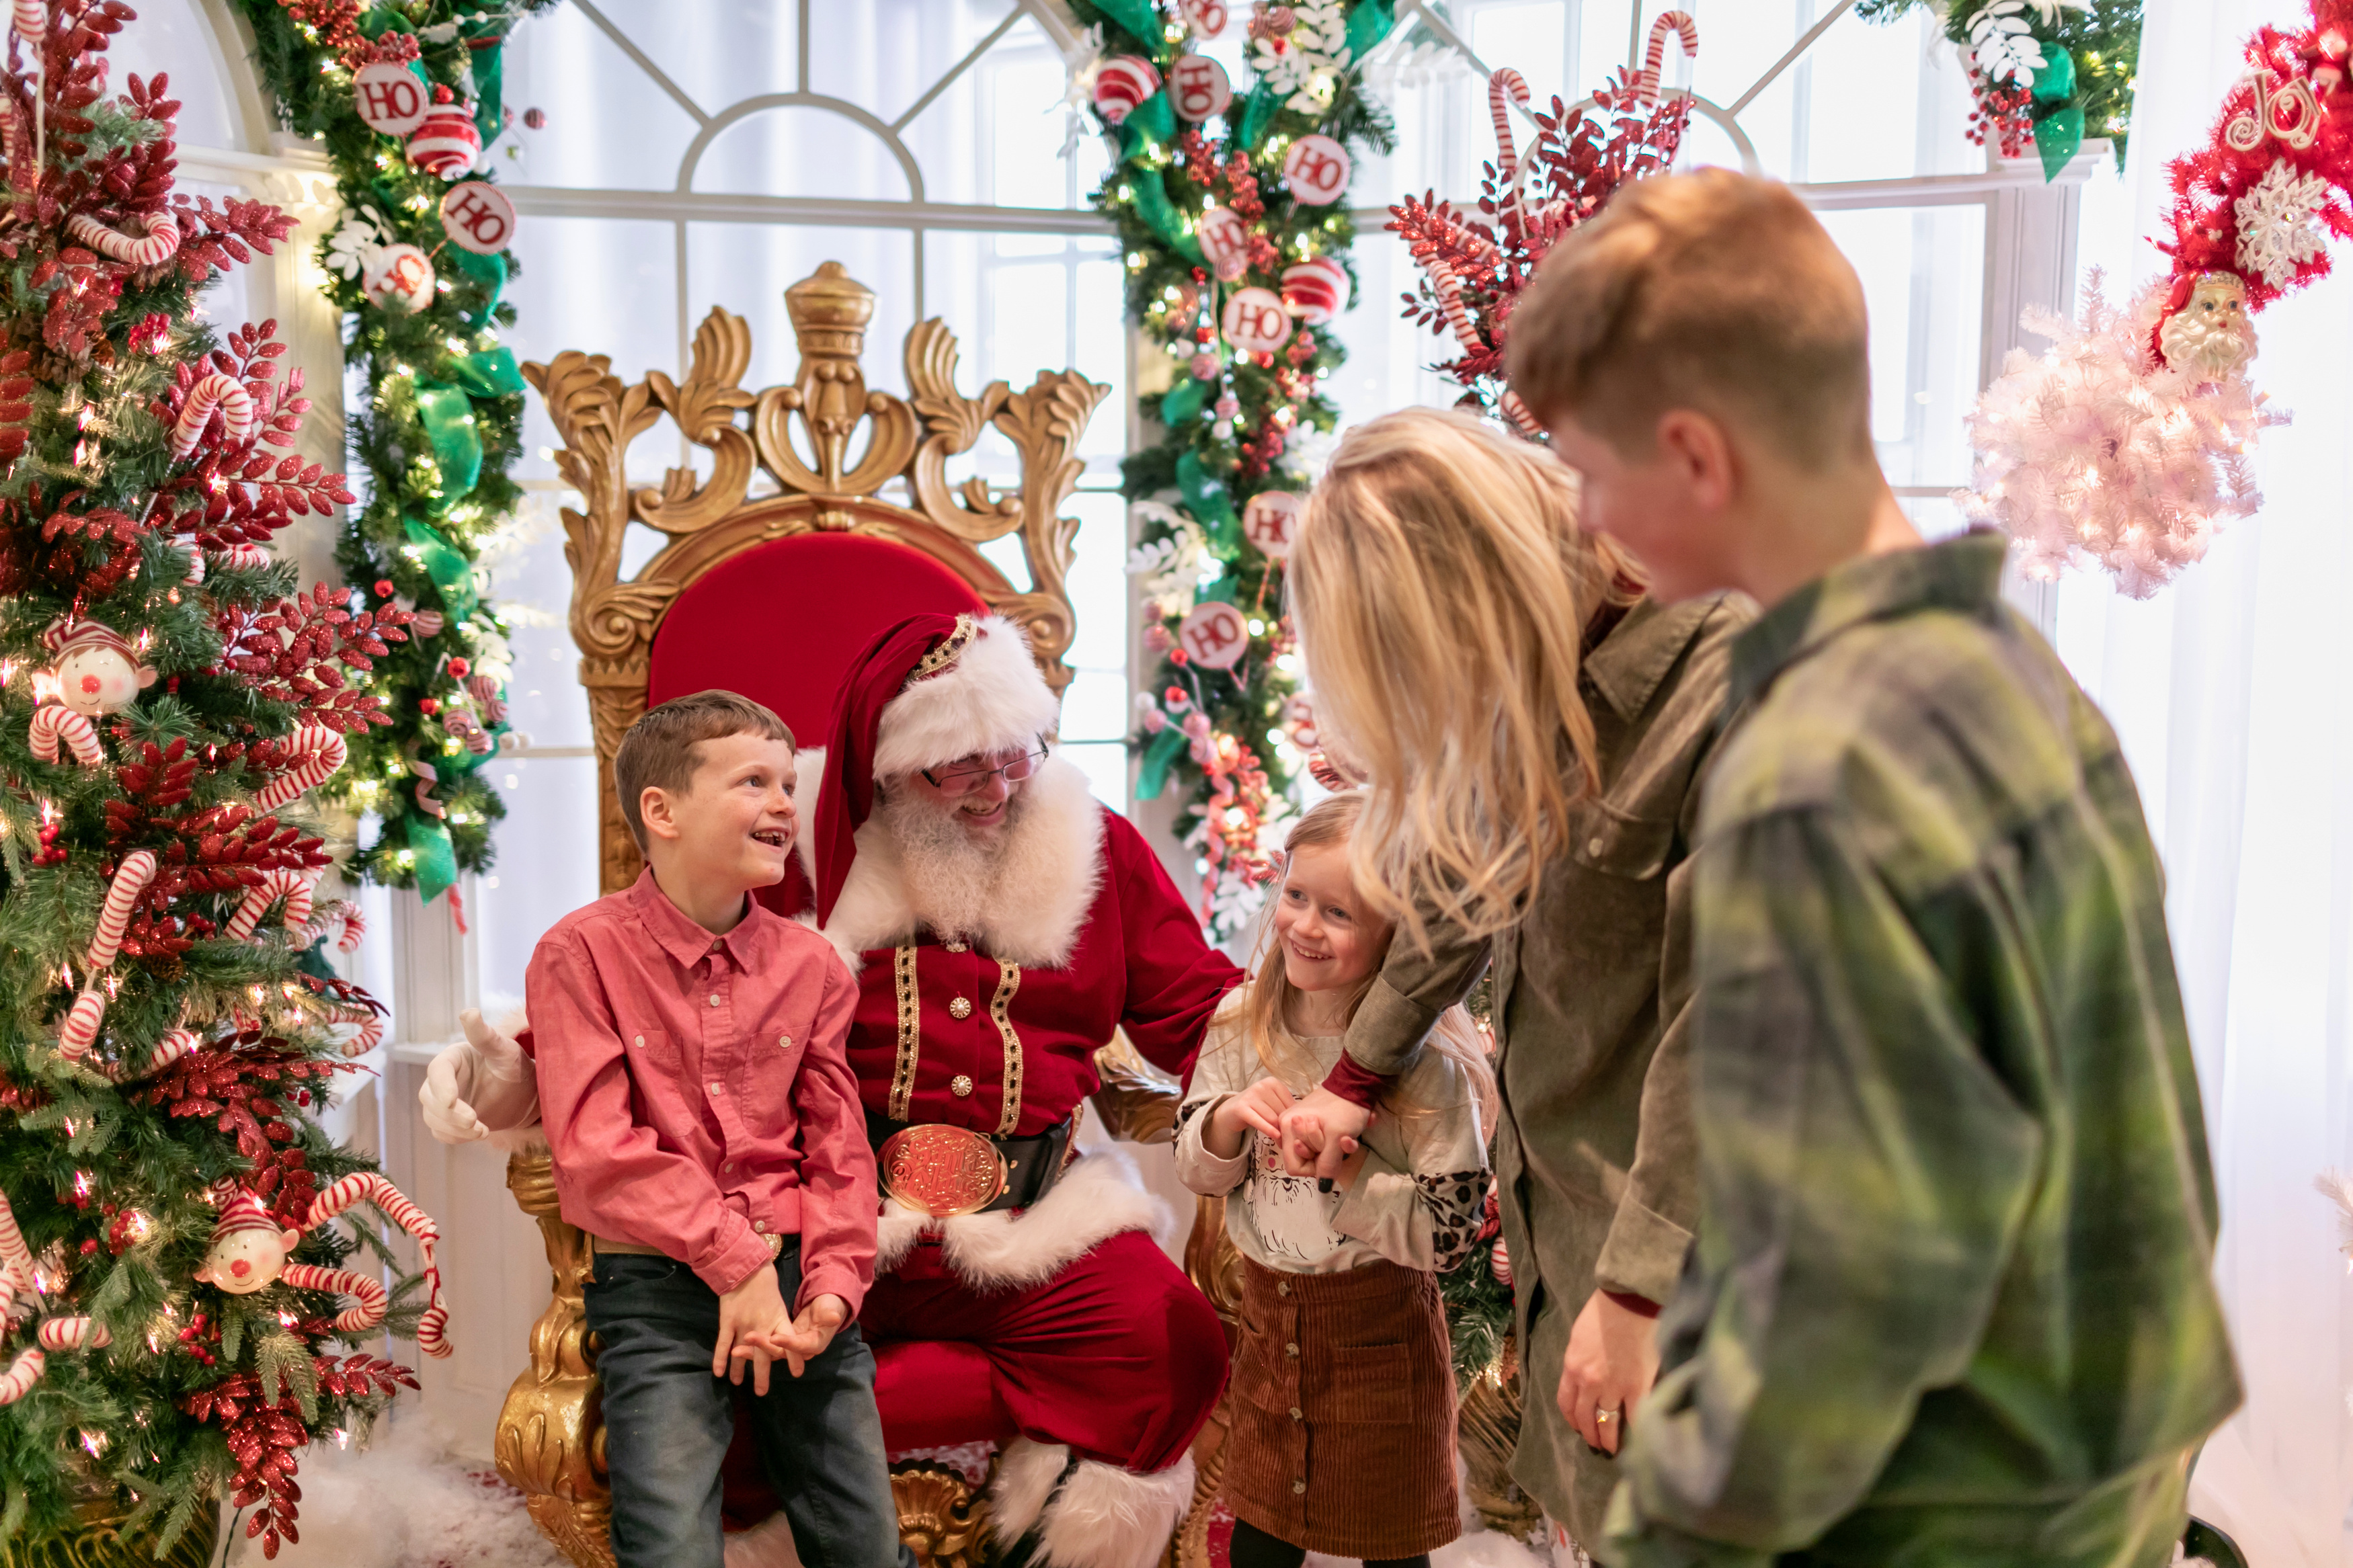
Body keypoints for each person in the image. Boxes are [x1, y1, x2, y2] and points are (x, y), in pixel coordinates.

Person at [1516, 167, 2242, 1566]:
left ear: (1696, 456)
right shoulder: (2010, 670)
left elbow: (1843, 1288)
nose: (1589, 515)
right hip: (2109, 1456)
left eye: (1591, 468)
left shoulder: (1812, 771)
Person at [424, 612, 1242, 1568]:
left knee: (1171, 1342)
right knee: (724, 1393)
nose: (999, 788)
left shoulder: (1093, 845)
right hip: (827, 1219)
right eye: (959, 766)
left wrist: (1326, 1048)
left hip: (1036, 1218)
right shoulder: (780, 846)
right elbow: (654, 976)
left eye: (1019, 753)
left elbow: (1204, 1009)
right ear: (890, 769)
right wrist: (517, 1071)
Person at [1275, 407, 1750, 1561]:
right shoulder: (1533, 687)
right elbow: (1455, 886)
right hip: (1578, 1228)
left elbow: (1737, 1025)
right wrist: (1353, 1072)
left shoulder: (1737, 684)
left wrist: (1637, 1294)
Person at [526, 690, 910, 1568]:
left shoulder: (811, 966)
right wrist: (733, 1262)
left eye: (788, 783)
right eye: (753, 782)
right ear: (661, 811)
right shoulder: (578, 954)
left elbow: (839, 1147)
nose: (784, 803)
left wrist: (831, 1290)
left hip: (797, 1276)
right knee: (665, 1546)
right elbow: (595, 1153)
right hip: (657, 1289)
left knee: (864, 1544)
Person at [1173, 793, 1493, 1568]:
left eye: (1339, 914)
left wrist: (1345, 1166)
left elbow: (1447, 1233)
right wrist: (1222, 1119)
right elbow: (1196, 1163)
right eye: (1295, 895)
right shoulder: (1237, 1022)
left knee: (1388, 1543)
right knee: (1259, 1539)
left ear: (1400, 940)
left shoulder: (1430, 1068)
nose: (1304, 926)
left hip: (1377, 1344)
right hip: (1266, 1329)